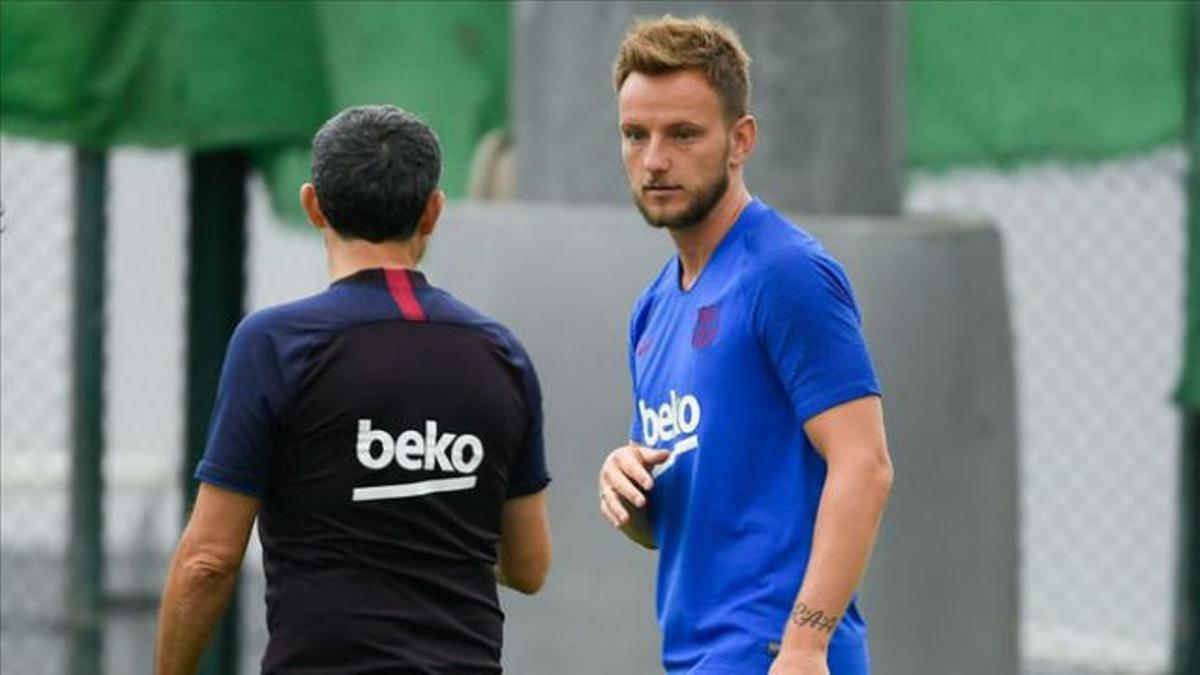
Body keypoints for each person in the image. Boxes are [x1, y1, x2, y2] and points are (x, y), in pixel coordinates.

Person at [155, 105, 552, 674]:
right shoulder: (501, 354)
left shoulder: (277, 343)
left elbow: (209, 561)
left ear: (313, 204)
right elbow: (529, 565)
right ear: (432, 212)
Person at [597, 16, 894, 675]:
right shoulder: (652, 310)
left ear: (740, 140)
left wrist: (807, 642)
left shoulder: (784, 272)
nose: (654, 159)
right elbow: (679, 517)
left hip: (773, 654)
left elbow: (865, 463)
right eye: (635, 135)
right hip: (698, 656)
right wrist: (632, 491)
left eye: (683, 134)